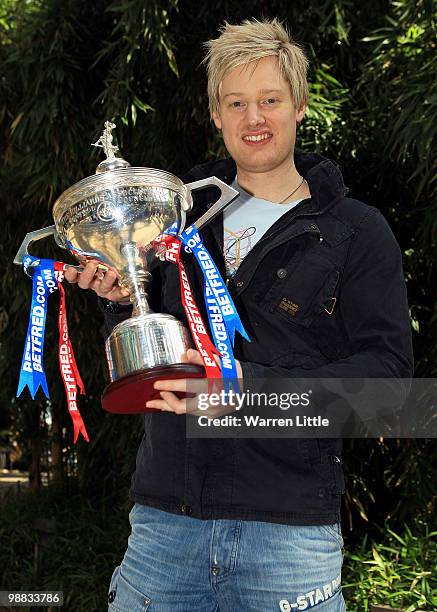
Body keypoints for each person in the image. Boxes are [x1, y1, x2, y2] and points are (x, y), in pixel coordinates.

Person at [65, 18, 413, 612]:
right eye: (237, 103)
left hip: (289, 541)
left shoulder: (357, 231)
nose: (255, 118)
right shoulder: (173, 220)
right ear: (216, 116)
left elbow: (391, 392)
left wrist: (250, 392)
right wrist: (122, 301)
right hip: (164, 531)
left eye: (270, 100)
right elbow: (159, 373)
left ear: (299, 106)